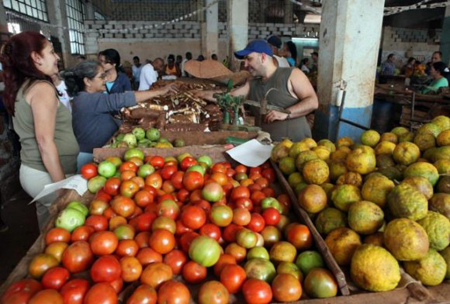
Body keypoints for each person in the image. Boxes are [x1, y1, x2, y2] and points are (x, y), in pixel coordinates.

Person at [0, 31, 79, 229]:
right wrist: (61, 188)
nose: (57, 57)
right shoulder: (42, 88)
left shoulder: (23, 86)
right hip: (46, 175)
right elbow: (44, 142)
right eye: (52, 52)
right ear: (36, 56)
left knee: (47, 225)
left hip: (34, 172)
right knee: (66, 228)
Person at [195, 40, 318, 142]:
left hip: (296, 147)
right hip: (268, 148)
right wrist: (199, 94)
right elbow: (229, 96)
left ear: (263, 57)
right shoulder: (252, 83)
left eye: (249, 59)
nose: (245, 64)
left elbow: (313, 102)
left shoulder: (291, 74)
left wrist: (286, 113)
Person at [64, 61, 177, 170]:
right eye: (101, 76)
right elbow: (123, 98)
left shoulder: (86, 97)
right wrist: (160, 91)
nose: (106, 79)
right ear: (87, 81)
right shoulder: (88, 99)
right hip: (90, 157)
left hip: (95, 152)